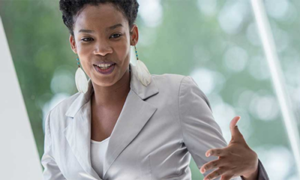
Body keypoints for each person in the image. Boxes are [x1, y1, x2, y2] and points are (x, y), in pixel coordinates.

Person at [41, 0, 269, 180]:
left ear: (133, 35)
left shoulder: (177, 95)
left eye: (115, 35)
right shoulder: (58, 119)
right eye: (88, 39)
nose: (101, 50)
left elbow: (225, 173)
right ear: (74, 44)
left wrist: (251, 170)